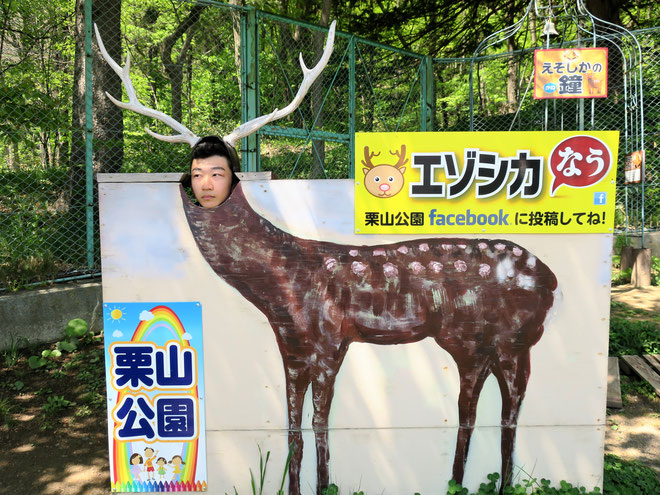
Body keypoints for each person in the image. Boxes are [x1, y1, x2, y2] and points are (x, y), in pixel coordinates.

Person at [185, 136, 241, 208]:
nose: (206, 187)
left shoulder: (251, 217)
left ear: (234, 179)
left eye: (216, 174)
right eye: (197, 175)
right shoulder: (179, 217)